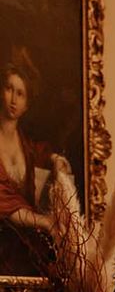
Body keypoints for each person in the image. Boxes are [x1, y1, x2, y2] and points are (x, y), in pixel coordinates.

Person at [0, 47, 71, 275]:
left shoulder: (26, 145)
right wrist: (44, 222)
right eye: (9, 89)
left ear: (27, 104)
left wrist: (55, 159)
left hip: (25, 250)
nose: (13, 99)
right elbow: (4, 203)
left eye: (20, 93)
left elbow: (39, 153)